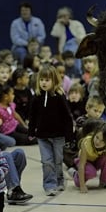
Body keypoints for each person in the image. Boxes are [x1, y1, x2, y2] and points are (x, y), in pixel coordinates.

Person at [28, 66, 74, 196]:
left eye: (47, 80)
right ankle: (49, 184)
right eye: (41, 79)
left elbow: (67, 117)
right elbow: (32, 116)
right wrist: (31, 131)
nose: (44, 82)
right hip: (43, 136)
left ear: (54, 81)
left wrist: (70, 137)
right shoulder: (36, 97)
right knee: (47, 161)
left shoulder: (59, 96)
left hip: (58, 135)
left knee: (58, 160)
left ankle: (60, 180)